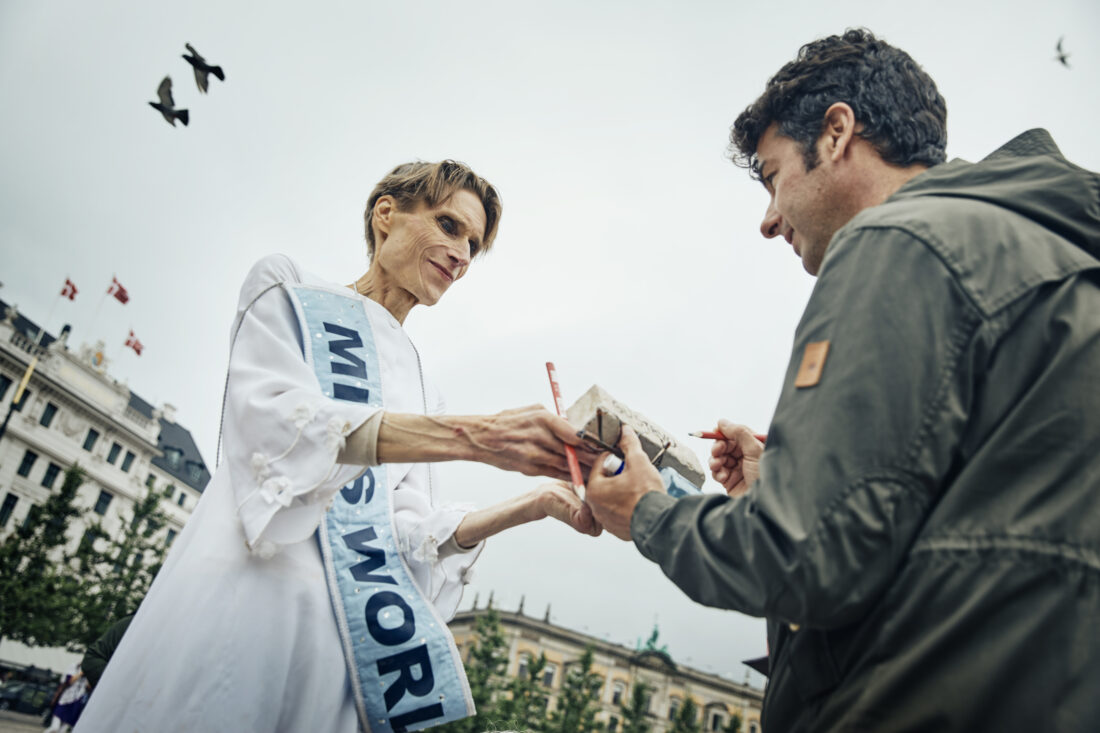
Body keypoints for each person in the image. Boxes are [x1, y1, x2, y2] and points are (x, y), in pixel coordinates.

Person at [585, 29, 1100, 731]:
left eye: (771, 178)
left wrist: (647, 511)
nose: (767, 221)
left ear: (835, 133)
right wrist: (789, 483)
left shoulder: (898, 240)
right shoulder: (1058, 263)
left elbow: (804, 560)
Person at [76, 160, 599, 732]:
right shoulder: (290, 286)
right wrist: (477, 437)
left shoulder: (426, 387)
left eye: (474, 245)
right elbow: (278, 424)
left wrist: (538, 503)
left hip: (339, 646)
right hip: (243, 603)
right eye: (449, 226)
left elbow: (408, 537)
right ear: (386, 214)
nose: (463, 255)